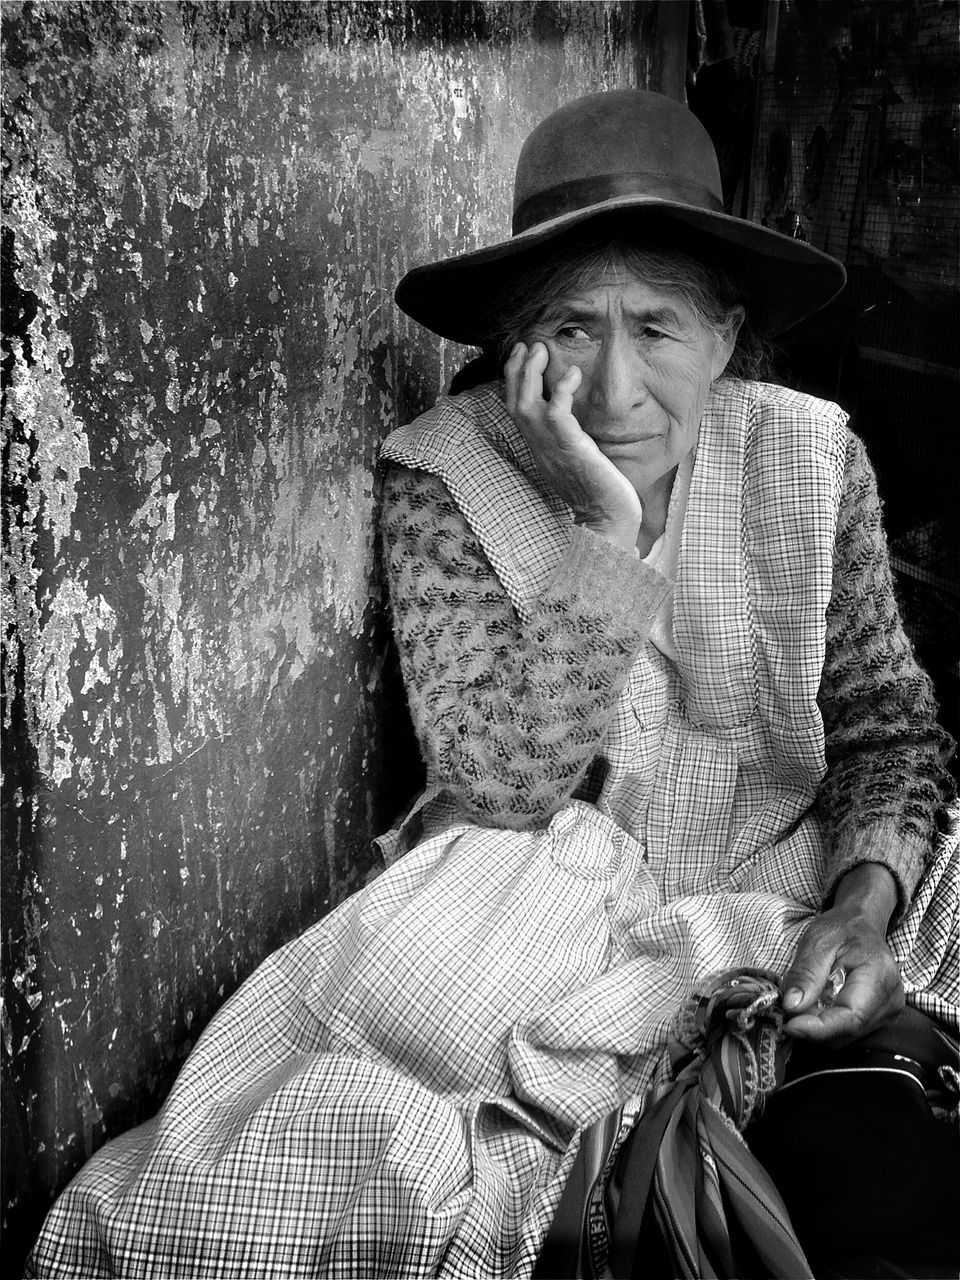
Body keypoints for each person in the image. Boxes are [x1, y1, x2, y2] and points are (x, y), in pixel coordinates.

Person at [27, 89, 957, 1280]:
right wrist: (606, 538)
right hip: (538, 889)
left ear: (726, 336)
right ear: (514, 347)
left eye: (657, 328)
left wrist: (861, 901)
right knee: (393, 1049)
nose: (615, 389)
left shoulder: (814, 460)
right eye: (571, 329)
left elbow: (888, 731)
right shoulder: (444, 471)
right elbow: (500, 783)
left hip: (778, 863)